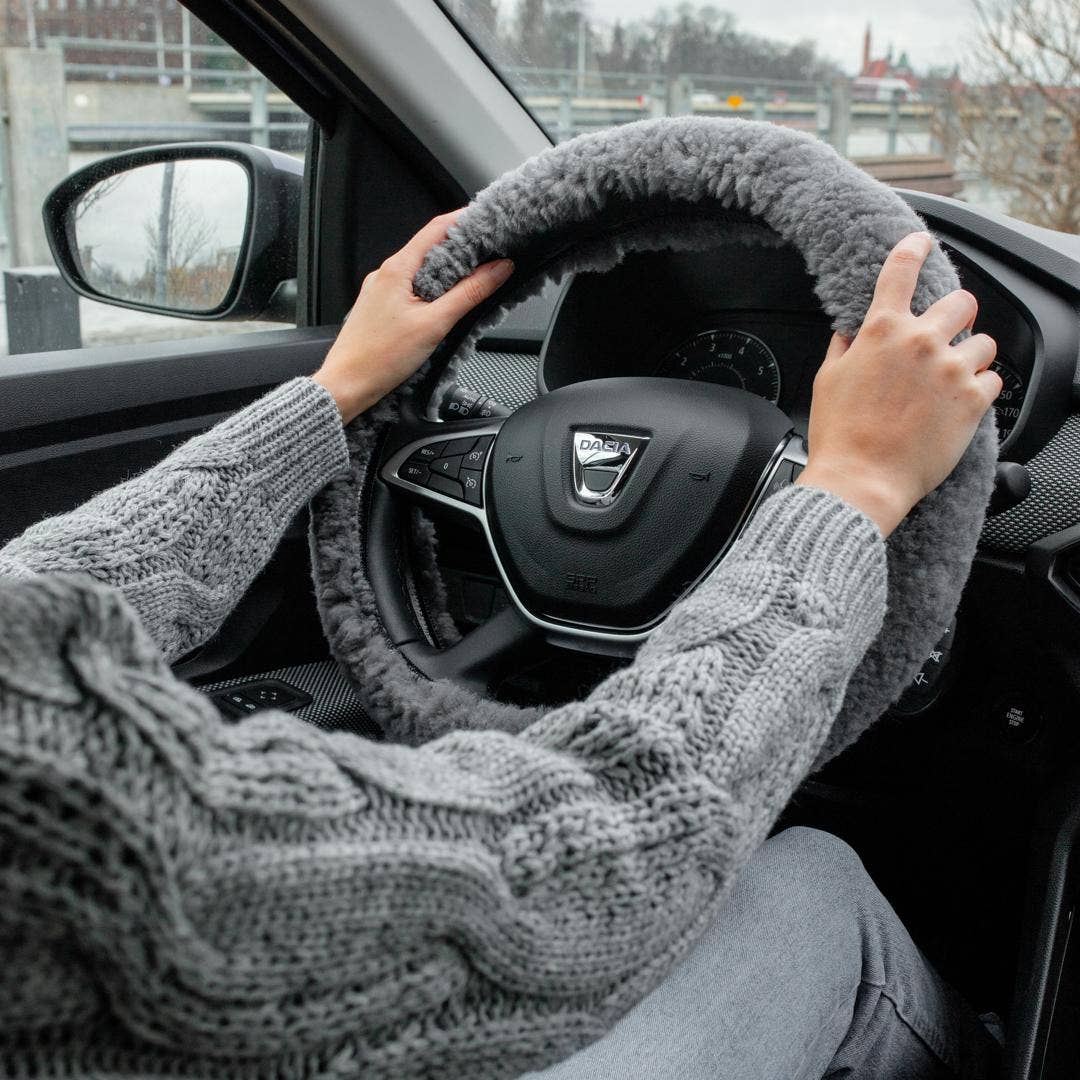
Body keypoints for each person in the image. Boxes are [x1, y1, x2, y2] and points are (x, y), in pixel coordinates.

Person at [0, 214, 1003, 1080]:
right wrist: (853, 486)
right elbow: (580, 875)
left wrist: (337, 390)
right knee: (818, 885)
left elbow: (50, 589)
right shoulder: (69, 834)